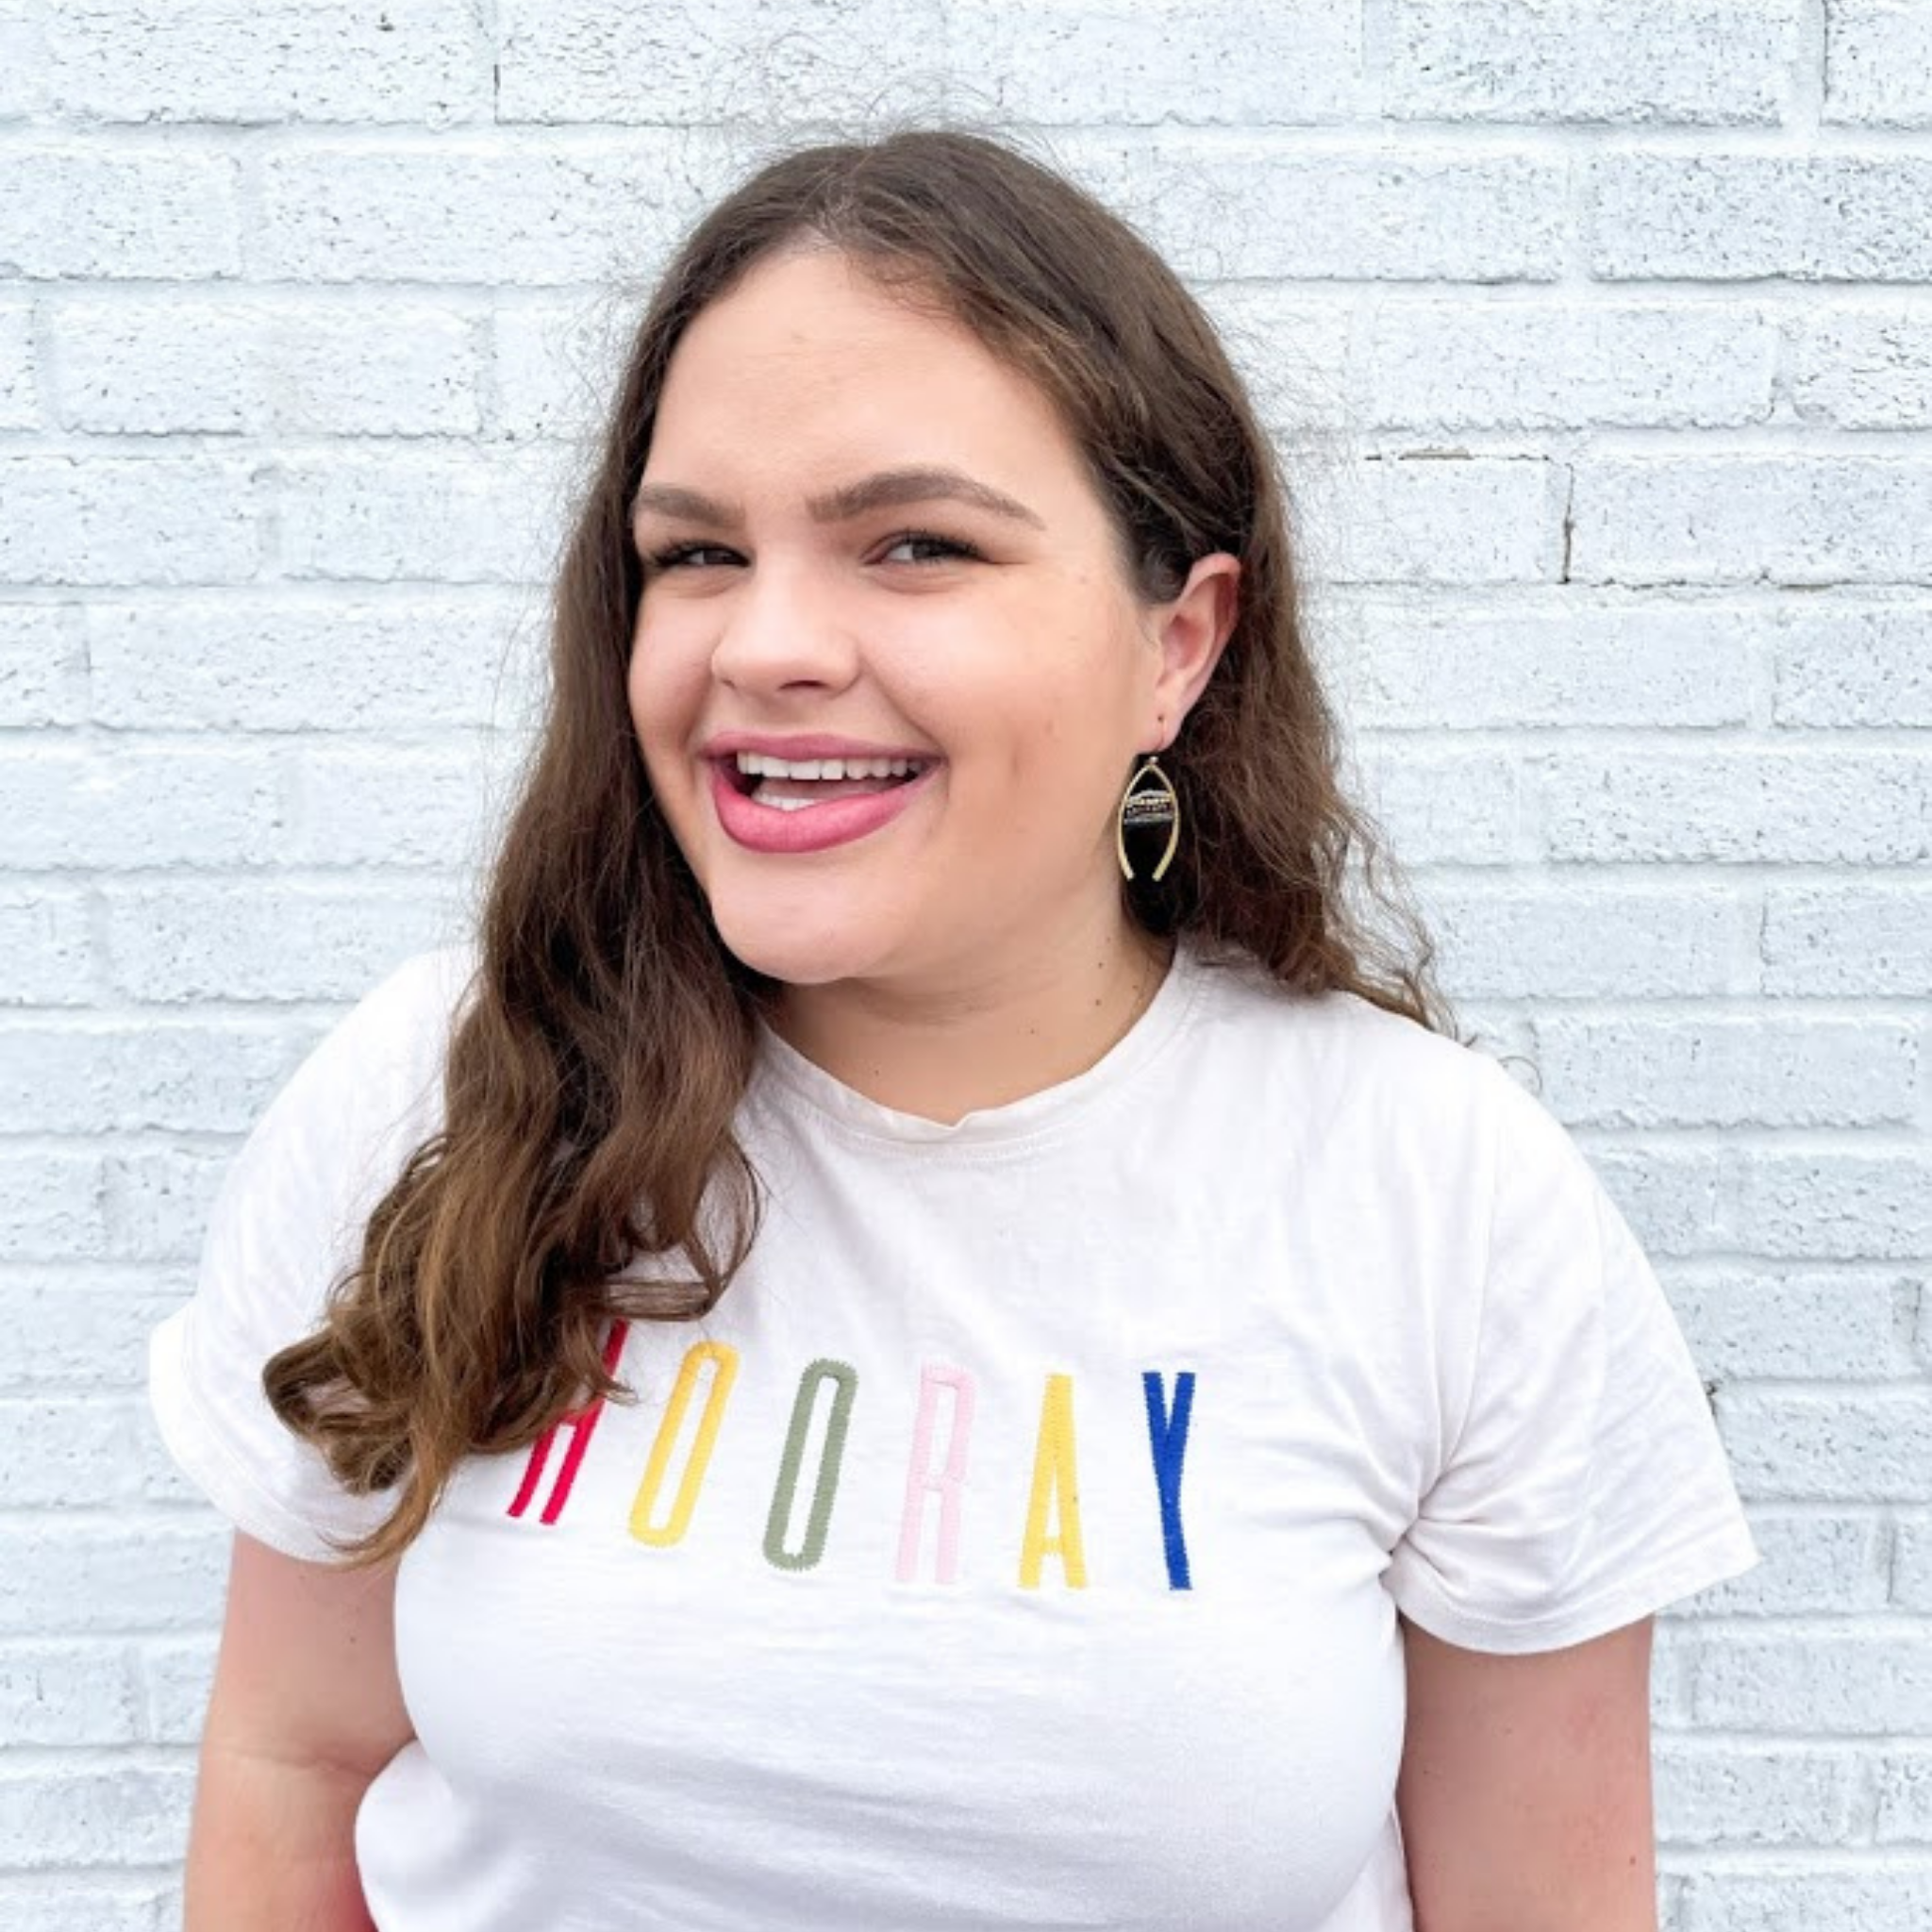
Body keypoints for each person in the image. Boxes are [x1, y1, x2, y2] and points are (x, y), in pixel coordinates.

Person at [147, 125, 1758, 1932]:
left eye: (916, 544)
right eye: (697, 552)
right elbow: (294, 1770)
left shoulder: (1440, 1194)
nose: (765, 644)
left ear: (1179, 644)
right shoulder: (449, 1094)